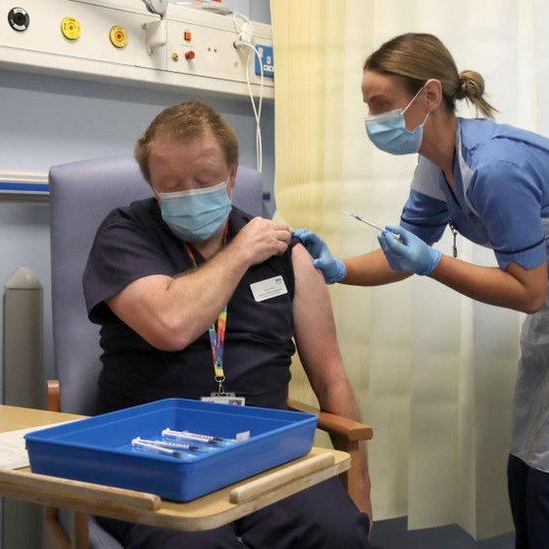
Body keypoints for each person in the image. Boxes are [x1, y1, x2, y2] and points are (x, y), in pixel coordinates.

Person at [295, 33, 549, 549]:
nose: (371, 118)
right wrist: (336, 267)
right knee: (528, 478)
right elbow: (404, 252)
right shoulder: (437, 164)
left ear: (429, 95)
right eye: (367, 104)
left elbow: (526, 292)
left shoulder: (495, 168)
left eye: (381, 103)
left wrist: (433, 264)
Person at [82, 101, 371, 549]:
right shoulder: (124, 233)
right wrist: (241, 252)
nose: (191, 193)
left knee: (336, 530)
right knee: (194, 545)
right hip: (152, 456)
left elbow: (331, 377)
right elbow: (172, 324)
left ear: (232, 175)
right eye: (173, 185)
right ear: (152, 187)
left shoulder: (287, 254)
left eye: (204, 180)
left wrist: (361, 485)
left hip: (264, 454)